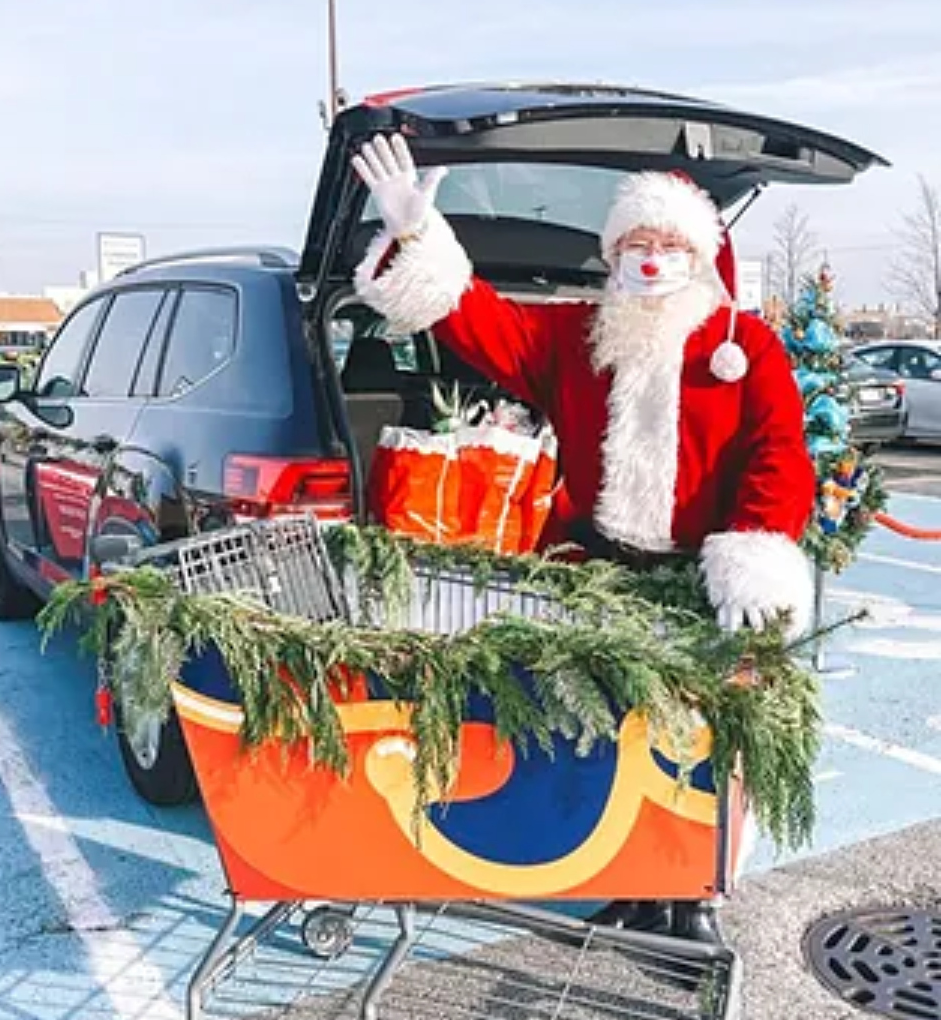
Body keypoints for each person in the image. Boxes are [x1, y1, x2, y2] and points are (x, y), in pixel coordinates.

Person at [349, 134, 818, 943]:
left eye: (669, 244)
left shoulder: (748, 350)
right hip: (591, 573)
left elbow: (780, 457)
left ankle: (692, 900)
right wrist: (419, 238)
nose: (651, 258)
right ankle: (629, 884)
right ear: (612, 255)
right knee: (604, 729)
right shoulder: (576, 338)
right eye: (636, 243)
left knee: (697, 737)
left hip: (699, 582)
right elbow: (480, 322)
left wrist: (757, 553)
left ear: (701, 256)